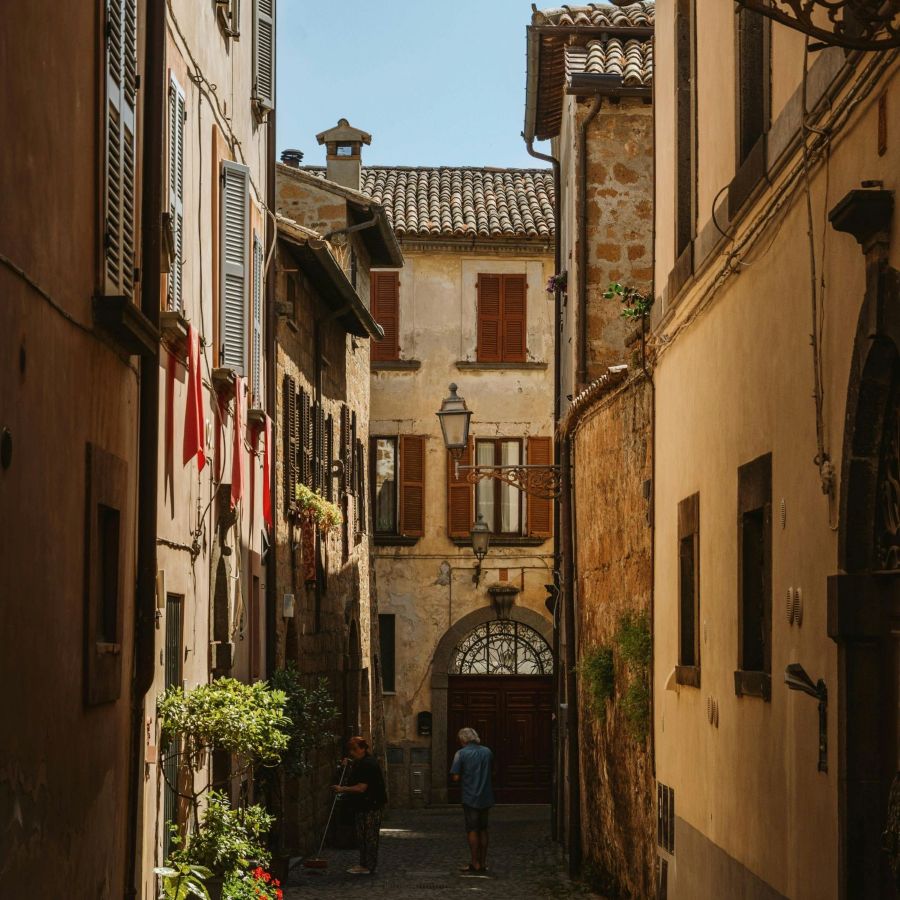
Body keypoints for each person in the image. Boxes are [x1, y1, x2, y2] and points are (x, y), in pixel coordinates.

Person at [332, 736, 387, 876]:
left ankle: (369, 866)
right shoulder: (360, 762)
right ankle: (364, 864)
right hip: (363, 805)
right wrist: (349, 765)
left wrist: (342, 789)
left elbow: (361, 787)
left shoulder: (368, 764)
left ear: (362, 749)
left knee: (369, 836)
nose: (351, 752)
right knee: (362, 836)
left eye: (354, 749)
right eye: (350, 750)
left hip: (371, 805)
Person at [450, 726, 494, 874]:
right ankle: (483, 863)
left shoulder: (461, 754)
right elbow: (493, 770)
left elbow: (456, 777)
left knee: (472, 829)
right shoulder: (487, 752)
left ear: (463, 740)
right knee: (483, 829)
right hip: (486, 796)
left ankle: (475, 863)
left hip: (470, 797)